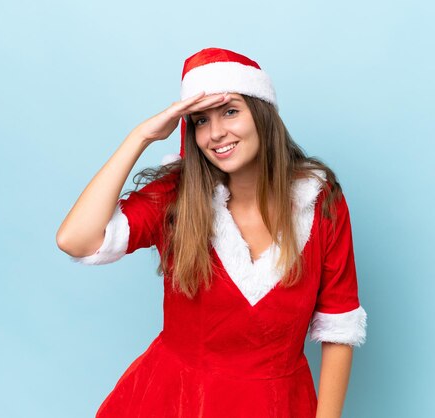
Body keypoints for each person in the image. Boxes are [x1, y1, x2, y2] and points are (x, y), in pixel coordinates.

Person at [56, 47, 367, 418]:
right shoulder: (177, 195)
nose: (216, 133)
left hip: (278, 404)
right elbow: (75, 239)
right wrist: (140, 137)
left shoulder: (321, 201)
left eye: (230, 111)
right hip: (173, 400)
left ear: (262, 114)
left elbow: (339, 326)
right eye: (201, 120)